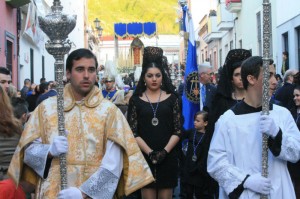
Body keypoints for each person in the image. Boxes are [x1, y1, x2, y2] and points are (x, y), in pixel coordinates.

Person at [8, 48, 154, 198]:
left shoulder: (109, 112)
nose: (86, 75)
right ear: (68, 73)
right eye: (80, 69)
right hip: (53, 192)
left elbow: (113, 165)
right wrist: (49, 151)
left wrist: (83, 193)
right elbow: (28, 153)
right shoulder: (46, 109)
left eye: (91, 70)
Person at [207, 56, 300, 199]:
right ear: (251, 79)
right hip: (246, 193)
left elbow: (296, 153)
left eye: (275, 76)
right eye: (268, 76)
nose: (275, 81)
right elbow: (216, 163)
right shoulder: (228, 120)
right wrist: (245, 180)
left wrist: (277, 135)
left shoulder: (282, 114)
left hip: (279, 191)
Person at [127, 46, 181, 199]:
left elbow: (177, 130)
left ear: (162, 76)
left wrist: (164, 152)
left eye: (157, 75)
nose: (154, 79)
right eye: (150, 75)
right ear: (144, 77)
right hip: (145, 158)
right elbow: (133, 131)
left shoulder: (173, 98)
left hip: (168, 157)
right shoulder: (136, 100)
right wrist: (150, 153)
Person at [181, 111, 215, 199]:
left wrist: (199, 167)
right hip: (189, 169)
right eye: (194, 120)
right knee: (188, 192)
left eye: (198, 121)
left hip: (200, 171)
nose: (194, 122)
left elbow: (207, 155)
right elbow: (181, 134)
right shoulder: (192, 132)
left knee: (200, 194)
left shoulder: (208, 137)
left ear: (205, 123)